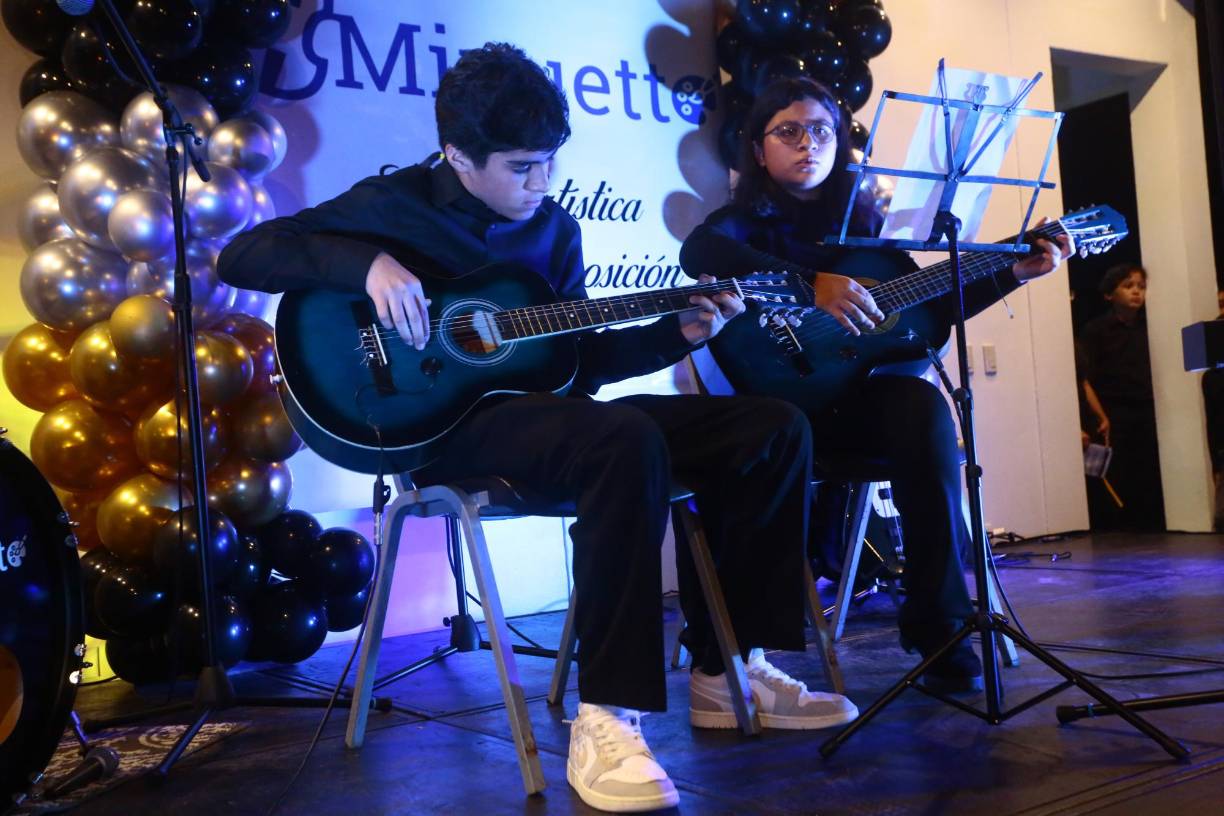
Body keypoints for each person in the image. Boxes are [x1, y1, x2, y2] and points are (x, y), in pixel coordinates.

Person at [219, 45, 856, 814]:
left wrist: (675, 335)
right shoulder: (393, 205)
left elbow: (577, 364)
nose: (541, 185)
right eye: (522, 167)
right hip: (446, 433)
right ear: (457, 154)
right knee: (621, 441)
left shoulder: (553, 232)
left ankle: (726, 670)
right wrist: (366, 268)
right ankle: (606, 716)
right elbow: (244, 254)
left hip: (551, 422)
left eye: (550, 164)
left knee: (770, 426)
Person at [679, 76, 1071, 694]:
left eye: (822, 130)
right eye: (789, 131)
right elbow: (701, 251)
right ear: (758, 150)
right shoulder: (735, 225)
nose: (808, 143)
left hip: (852, 402)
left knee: (923, 407)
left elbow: (926, 315)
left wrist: (1011, 274)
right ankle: (743, 648)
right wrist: (813, 284)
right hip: (773, 412)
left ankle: (938, 625)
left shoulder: (870, 230)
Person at [1078, 264, 1165, 531]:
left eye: (1141, 286)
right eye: (1128, 286)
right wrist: (1097, 415)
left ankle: (1150, 522)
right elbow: (1086, 377)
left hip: (1148, 406)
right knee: (1118, 471)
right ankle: (1120, 526)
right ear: (1109, 295)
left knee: (1148, 468)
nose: (1137, 292)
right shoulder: (1096, 331)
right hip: (1113, 409)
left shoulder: (1151, 328)